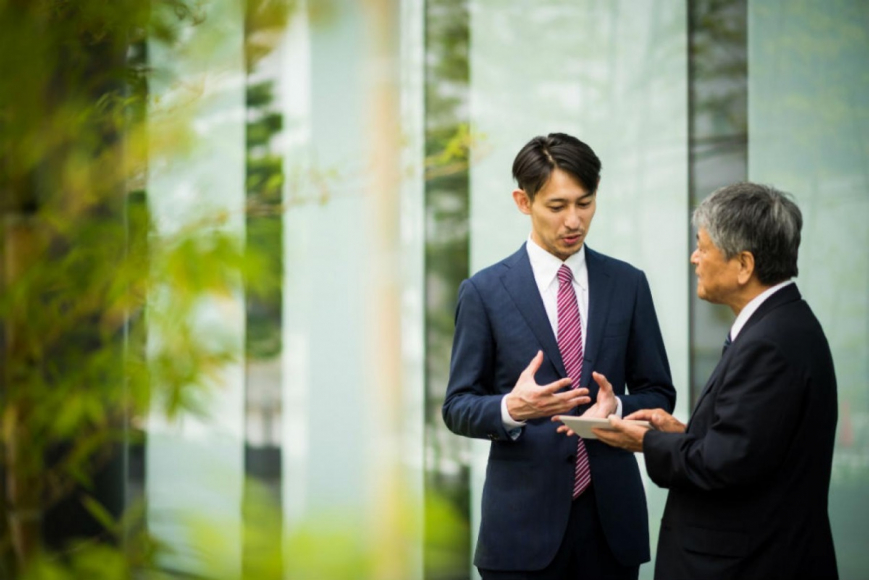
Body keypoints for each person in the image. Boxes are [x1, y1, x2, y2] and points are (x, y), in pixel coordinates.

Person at [442, 132, 676, 579]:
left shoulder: (628, 284)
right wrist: (513, 407)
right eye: (557, 206)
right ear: (522, 201)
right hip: (519, 536)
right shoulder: (484, 292)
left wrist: (619, 408)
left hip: (612, 529)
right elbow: (457, 407)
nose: (574, 221)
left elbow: (659, 392)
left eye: (585, 203)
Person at [586, 182, 839, 580]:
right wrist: (682, 434)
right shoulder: (781, 327)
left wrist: (643, 441)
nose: (694, 258)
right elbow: (753, 448)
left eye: (702, 247)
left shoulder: (770, 342)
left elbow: (725, 465)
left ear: (743, 265)